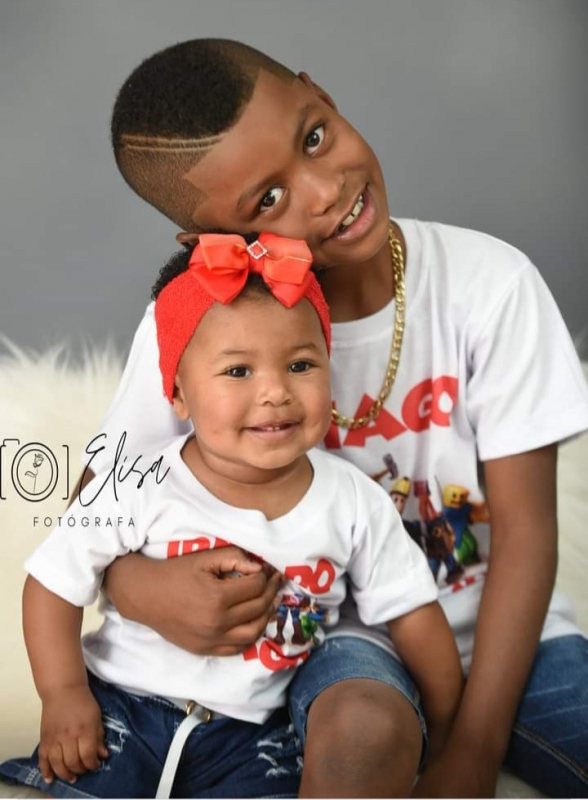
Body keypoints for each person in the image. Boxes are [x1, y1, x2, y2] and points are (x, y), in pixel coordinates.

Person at [0, 233, 463, 799]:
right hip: (121, 711)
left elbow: (415, 616)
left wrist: (449, 735)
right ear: (178, 395)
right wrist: (64, 694)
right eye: (238, 371)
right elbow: (51, 584)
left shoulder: (353, 502)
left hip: (255, 740)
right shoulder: (137, 483)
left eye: (300, 364)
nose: (275, 392)